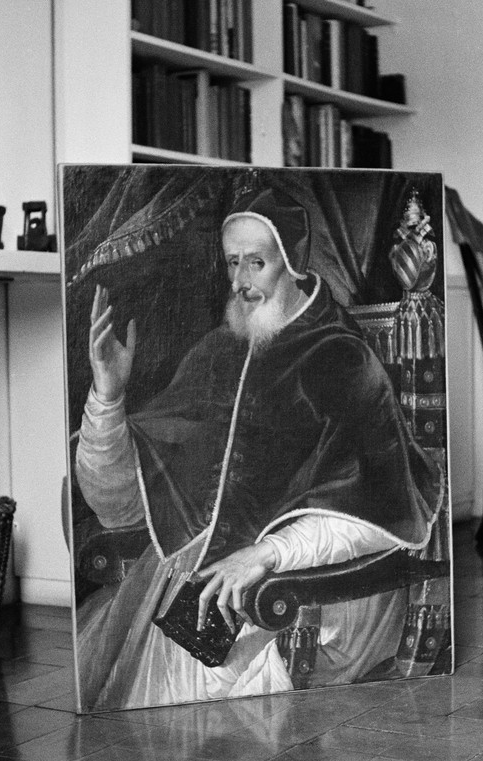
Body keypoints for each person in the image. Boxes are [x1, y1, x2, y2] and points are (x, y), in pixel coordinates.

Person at [73, 187, 443, 710]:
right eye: (232, 263)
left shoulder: (342, 360)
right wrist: (108, 397)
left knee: (205, 698)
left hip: (322, 586)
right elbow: (119, 503)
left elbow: (380, 506)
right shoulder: (217, 354)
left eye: (256, 262)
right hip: (206, 582)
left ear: (290, 264)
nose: (241, 281)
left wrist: (268, 553)